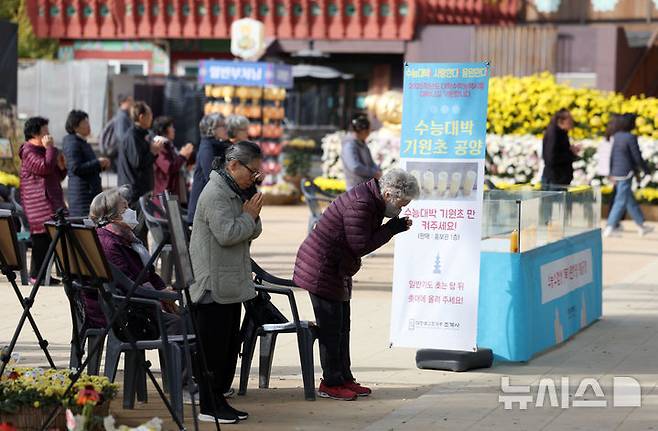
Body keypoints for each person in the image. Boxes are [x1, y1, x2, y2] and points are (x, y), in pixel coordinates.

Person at [293, 169, 419, 400]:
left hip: (337, 268)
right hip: (321, 268)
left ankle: (344, 377)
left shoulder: (372, 199)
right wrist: (392, 228)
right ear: (389, 194)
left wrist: (392, 226)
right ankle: (331, 383)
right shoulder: (362, 203)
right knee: (331, 329)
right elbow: (360, 245)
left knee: (342, 327)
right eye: (401, 203)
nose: (401, 209)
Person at [189, 141, 264, 424]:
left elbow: (253, 229)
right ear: (233, 165)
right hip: (212, 286)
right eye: (252, 171)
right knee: (214, 352)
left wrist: (250, 215)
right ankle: (209, 405)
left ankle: (219, 400)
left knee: (229, 349)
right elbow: (228, 234)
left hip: (230, 283)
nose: (254, 177)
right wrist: (249, 216)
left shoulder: (234, 190)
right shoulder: (216, 193)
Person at [84, 187, 184, 332]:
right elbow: (128, 286)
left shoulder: (126, 238)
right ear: (112, 216)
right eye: (124, 208)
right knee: (179, 322)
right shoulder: (109, 244)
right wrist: (161, 296)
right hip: (127, 313)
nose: (130, 211)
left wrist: (162, 289)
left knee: (188, 315)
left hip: (136, 304)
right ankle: (180, 355)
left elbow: (147, 273)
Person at [19, 116, 67, 285]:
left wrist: (62, 167)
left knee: (51, 239)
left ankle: (44, 275)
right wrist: (50, 149)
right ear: (35, 133)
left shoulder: (44, 150)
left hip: (50, 201)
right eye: (45, 131)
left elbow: (56, 176)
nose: (48, 135)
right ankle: (35, 275)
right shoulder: (28, 151)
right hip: (37, 204)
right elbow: (44, 168)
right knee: (41, 239)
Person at [604, 114, 654, 237]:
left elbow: (612, 156)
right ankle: (610, 227)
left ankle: (641, 225)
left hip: (617, 172)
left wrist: (611, 172)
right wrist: (646, 170)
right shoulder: (630, 137)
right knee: (621, 200)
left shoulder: (617, 136)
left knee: (628, 199)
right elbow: (636, 156)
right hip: (626, 172)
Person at [63, 110, 111, 218]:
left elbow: (88, 166)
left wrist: (101, 166)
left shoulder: (82, 142)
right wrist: (98, 162)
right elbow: (76, 168)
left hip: (89, 193)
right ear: (75, 127)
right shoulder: (72, 143)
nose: (88, 125)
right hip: (82, 196)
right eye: (85, 123)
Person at [187, 113, 230, 224]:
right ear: (212, 129)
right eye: (223, 126)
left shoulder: (217, 145)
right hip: (201, 211)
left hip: (207, 205)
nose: (227, 129)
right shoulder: (207, 148)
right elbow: (211, 177)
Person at [151, 116, 194, 201]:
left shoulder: (169, 145)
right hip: (164, 195)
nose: (174, 130)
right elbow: (169, 167)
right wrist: (183, 156)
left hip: (171, 193)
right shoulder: (159, 146)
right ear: (164, 130)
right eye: (171, 127)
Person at [341, 114, 381, 190]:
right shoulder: (350, 145)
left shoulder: (362, 143)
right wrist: (373, 173)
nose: (369, 133)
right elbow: (355, 167)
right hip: (355, 189)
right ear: (363, 131)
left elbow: (371, 162)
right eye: (369, 130)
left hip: (365, 187)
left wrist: (377, 170)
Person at [541, 109, 577, 189]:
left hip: (560, 179)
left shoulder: (562, 133)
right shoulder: (554, 134)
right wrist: (571, 153)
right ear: (561, 121)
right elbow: (551, 158)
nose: (572, 122)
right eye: (570, 119)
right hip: (555, 180)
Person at [100, 94, 134, 168]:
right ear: (122, 102)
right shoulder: (122, 117)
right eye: (129, 101)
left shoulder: (125, 116)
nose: (132, 103)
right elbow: (122, 137)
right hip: (118, 154)